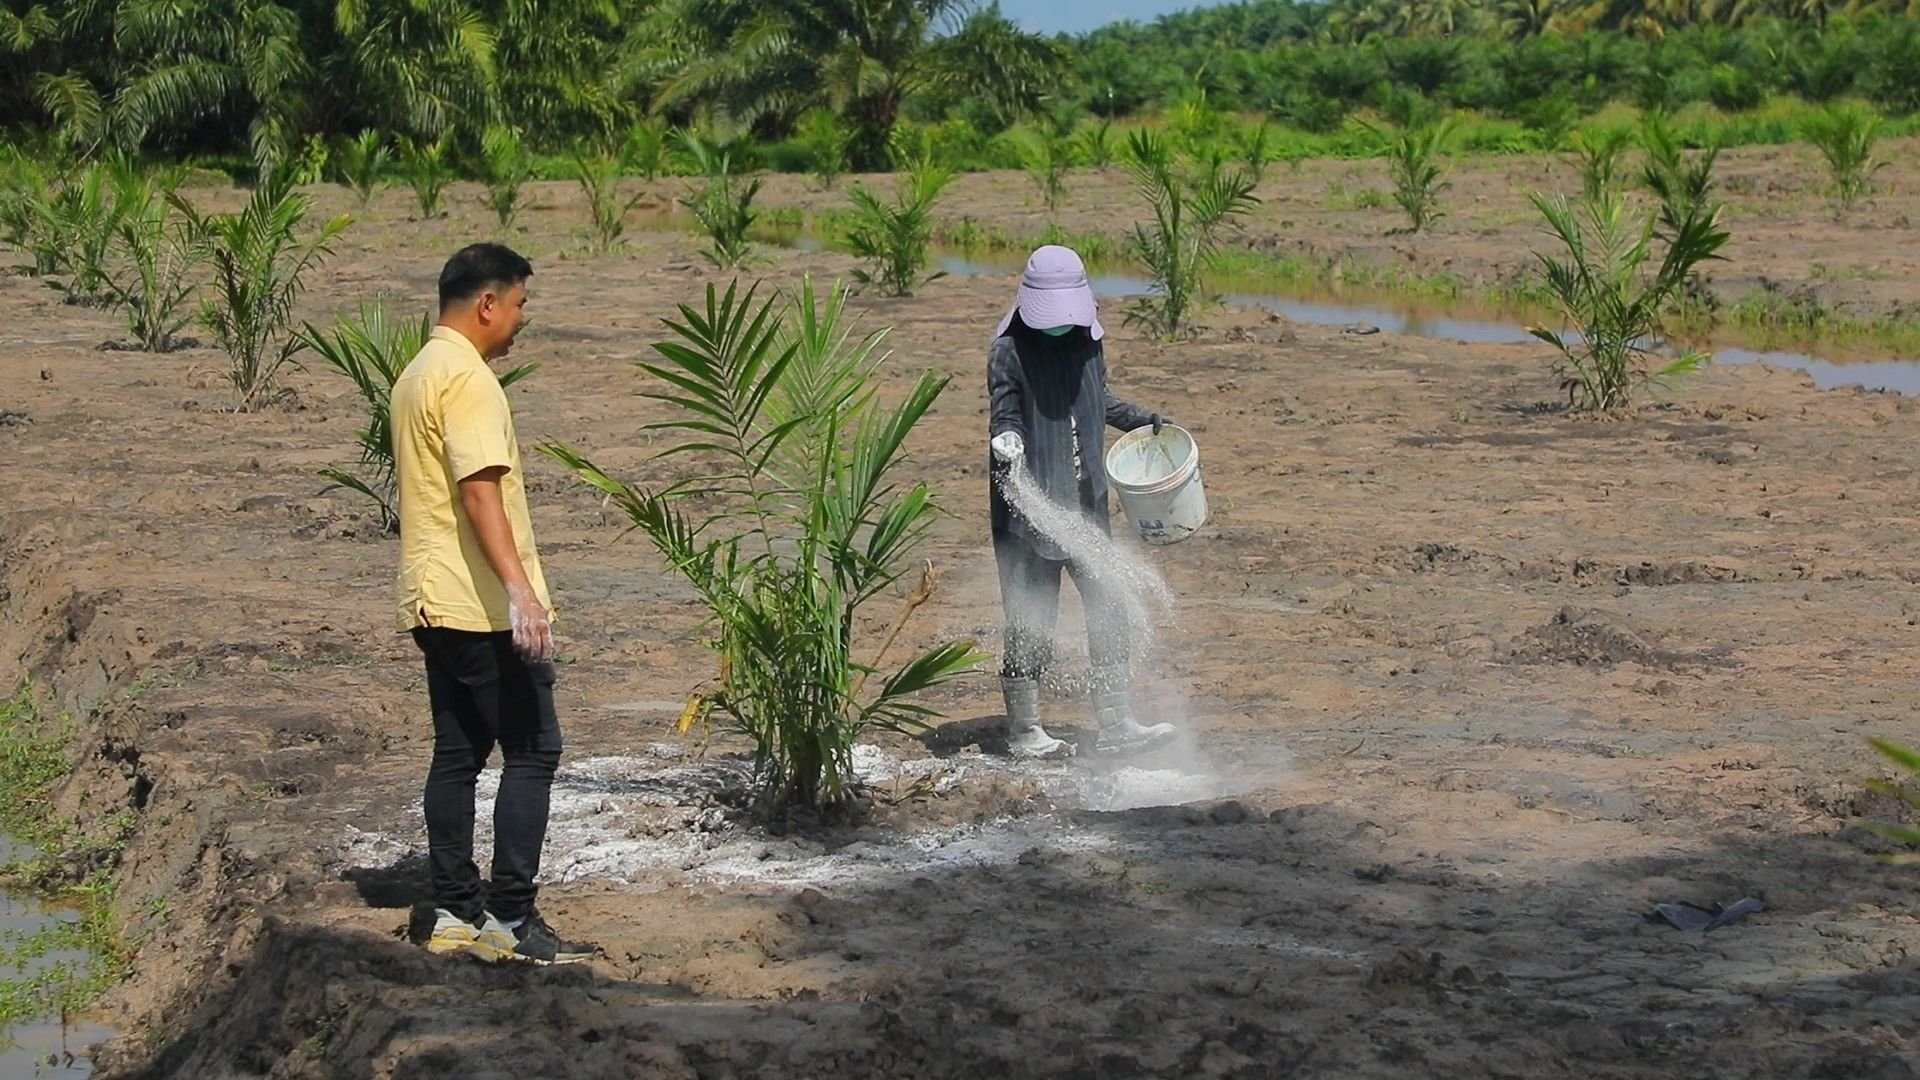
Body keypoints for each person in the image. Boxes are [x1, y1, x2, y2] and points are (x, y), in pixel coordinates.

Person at [390, 242, 594, 964]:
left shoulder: (417, 373)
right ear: (487, 302)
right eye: (519, 305)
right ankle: (508, 920)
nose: (520, 320)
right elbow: (480, 491)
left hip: (430, 599)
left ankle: (451, 911)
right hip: (479, 605)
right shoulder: (469, 381)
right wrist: (521, 591)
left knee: (457, 752)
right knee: (534, 749)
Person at [987, 244, 1179, 761]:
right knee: (1033, 612)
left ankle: (1117, 720)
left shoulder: (1087, 343)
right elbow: (1004, 412)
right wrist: (1007, 440)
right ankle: (1024, 730)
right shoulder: (1010, 351)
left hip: (1086, 504)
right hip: (1030, 511)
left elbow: (1102, 399)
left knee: (1109, 603)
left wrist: (1140, 418)